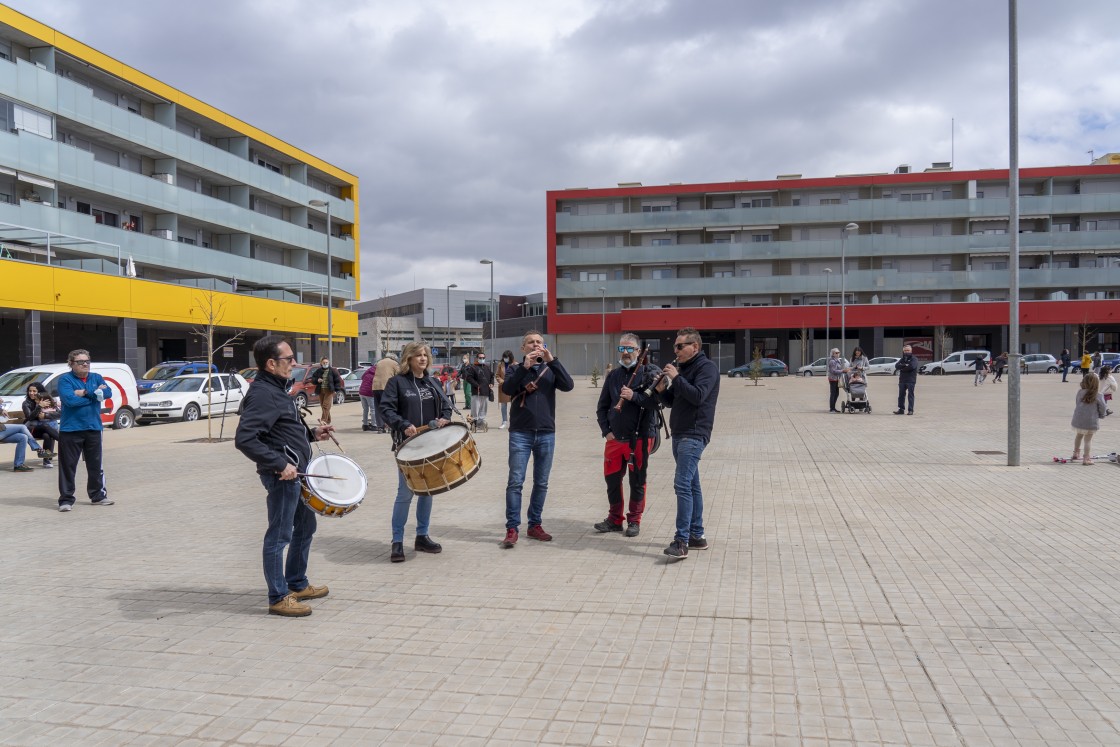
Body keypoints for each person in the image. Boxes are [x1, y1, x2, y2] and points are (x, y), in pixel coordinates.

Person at [235, 335, 334, 617]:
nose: (294, 363)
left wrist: (313, 434)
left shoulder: (278, 389)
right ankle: (278, 597)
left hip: (296, 476)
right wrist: (280, 464)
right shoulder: (263, 394)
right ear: (270, 363)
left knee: (305, 528)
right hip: (282, 478)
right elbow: (245, 439)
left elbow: (282, 431)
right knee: (279, 537)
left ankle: (297, 583)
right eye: (288, 359)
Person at [379, 342, 452, 562]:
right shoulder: (397, 382)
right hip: (407, 446)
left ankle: (422, 536)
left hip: (431, 445)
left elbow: (447, 405)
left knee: (428, 491)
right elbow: (386, 409)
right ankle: (397, 541)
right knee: (405, 493)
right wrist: (402, 424)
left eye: (425, 355)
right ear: (408, 359)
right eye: (418, 355)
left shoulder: (433, 382)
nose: (422, 358)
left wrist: (444, 418)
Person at [500, 330, 574, 547]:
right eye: (530, 343)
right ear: (523, 348)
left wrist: (553, 361)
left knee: (541, 483)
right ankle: (512, 528)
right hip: (520, 433)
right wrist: (524, 367)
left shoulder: (550, 369)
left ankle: (535, 525)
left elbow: (568, 385)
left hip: (546, 432)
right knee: (515, 482)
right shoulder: (515, 368)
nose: (535, 345)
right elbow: (507, 389)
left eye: (539, 342)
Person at [655, 327, 720, 560]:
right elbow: (675, 401)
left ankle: (681, 541)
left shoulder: (707, 368)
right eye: (675, 346)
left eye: (680, 346)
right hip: (680, 432)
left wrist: (676, 377)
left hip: (694, 433)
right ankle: (696, 536)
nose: (676, 350)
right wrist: (662, 391)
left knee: (681, 485)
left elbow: (698, 396)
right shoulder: (684, 369)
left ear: (695, 346)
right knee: (692, 486)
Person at [594, 334, 660, 537]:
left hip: (639, 438)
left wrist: (634, 396)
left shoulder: (649, 373)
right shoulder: (613, 376)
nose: (625, 353)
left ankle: (634, 520)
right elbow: (602, 407)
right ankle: (615, 519)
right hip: (615, 439)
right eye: (622, 349)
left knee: (637, 480)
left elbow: (658, 402)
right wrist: (607, 432)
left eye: (630, 349)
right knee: (612, 480)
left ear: (639, 351)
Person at [56, 349, 114, 510]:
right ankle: (66, 500)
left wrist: (85, 393)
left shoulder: (96, 377)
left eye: (87, 361)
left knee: (95, 464)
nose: (85, 364)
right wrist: (95, 396)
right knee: (68, 466)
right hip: (70, 430)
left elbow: (108, 392)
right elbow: (70, 401)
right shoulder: (65, 380)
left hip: (93, 428)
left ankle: (98, 496)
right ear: (71, 364)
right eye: (80, 362)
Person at [1070, 372, 1108, 465]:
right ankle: (1086, 458)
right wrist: (1102, 415)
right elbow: (1103, 408)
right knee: (1088, 440)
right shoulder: (1098, 395)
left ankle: (1075, 453)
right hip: (1091, 421)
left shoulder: (1080, 392)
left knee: (1078, 436)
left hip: (1078, 420)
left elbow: (1077, 403)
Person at [22, 383, 59, 467]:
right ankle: (64, 442)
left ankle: (46, 461)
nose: (31, 393)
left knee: (46, 435)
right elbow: (30, 418)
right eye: (30, 391)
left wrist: (46, 415)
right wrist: (39, 407)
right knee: (46, 427)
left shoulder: (47, 399)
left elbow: (59, 414)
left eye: (34, 391)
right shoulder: (26, 403)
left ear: (40, 392)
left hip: (45, 429)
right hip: (32, 429)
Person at [0, 406, 47, 472]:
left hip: (2, 432)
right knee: (22, 427)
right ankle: (39, 449)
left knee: (23, 437)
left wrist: (1, 409)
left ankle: (18, 465)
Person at [462, 351, 495, 428]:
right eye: (480, 358)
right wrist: (476, 385)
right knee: (475, 408)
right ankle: (474, 422)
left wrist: (492, 383)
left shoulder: (487, 367)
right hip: (476, 391)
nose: (482, 359)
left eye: (483, 358)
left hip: (486, 392)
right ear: (477, 358)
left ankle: (481, 422)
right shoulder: (473, 367)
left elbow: (492, 376)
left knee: (483, 408)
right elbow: (468, 378)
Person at [370, 354, 399, 433]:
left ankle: (380, 427)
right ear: (393, 358)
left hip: (376, 387)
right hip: (386, 387)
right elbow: (399, 375)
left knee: (378, 407)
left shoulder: (379, 362)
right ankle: (389, 426)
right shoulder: (394, 363)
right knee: (389, 407)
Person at [309, 357, 343, 424]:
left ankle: (323, 420)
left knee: (326, 405)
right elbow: (312, 379)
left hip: (329, 390)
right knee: (323, 406)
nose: (325, 364)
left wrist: (337, 390)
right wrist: (317, 380)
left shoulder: (333, 370)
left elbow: (337, 381)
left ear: (329, 363)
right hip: (321, 390)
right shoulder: (318, 371)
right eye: (324, 362)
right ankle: (328, 420)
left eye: (326, 362)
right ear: (321, 363)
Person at [894, 344, 919, 415]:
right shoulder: (902, 359)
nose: (906, 352)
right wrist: (905, 365)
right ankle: (901, 409)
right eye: (905, 350)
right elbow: (896, 366)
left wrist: (902, 367)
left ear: (911, 350)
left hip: (911, 380)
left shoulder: (914, 359)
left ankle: (910, 410)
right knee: (901, 395)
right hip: (902, 380)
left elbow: (912, 366)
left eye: (908, 350)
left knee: (910, 395)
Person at [496, 350, 515, 429]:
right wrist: (502, 381)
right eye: (504, 357)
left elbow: (517, 375)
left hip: (512, 387)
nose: (505, 359)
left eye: (506, 357)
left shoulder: (515, 364)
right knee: (503, 406)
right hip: (503, 387)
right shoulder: (500, 364)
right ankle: (504, 421)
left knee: (513, 405)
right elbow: (497, 375)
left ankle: (513, 422)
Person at [358, 365, 377, 431]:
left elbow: (362, 377)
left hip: (361, 392)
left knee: (365, 409)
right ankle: (374, 425)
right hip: (369, 393)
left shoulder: (367, 372)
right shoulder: (376, 375)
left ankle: (365, 425)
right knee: (373, 409)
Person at [827, 348, 844, 413]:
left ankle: (834, 407)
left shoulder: (838, 360)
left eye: (838, 352)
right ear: (833, 354)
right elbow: (833, 371)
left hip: (837, 379)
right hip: (833, 379)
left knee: (837, 393)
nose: (838, 354)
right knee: (833, 393)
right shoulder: (832, 361)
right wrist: (842, 371)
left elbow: (839, 369)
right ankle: (832, 409)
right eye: (836, 353)